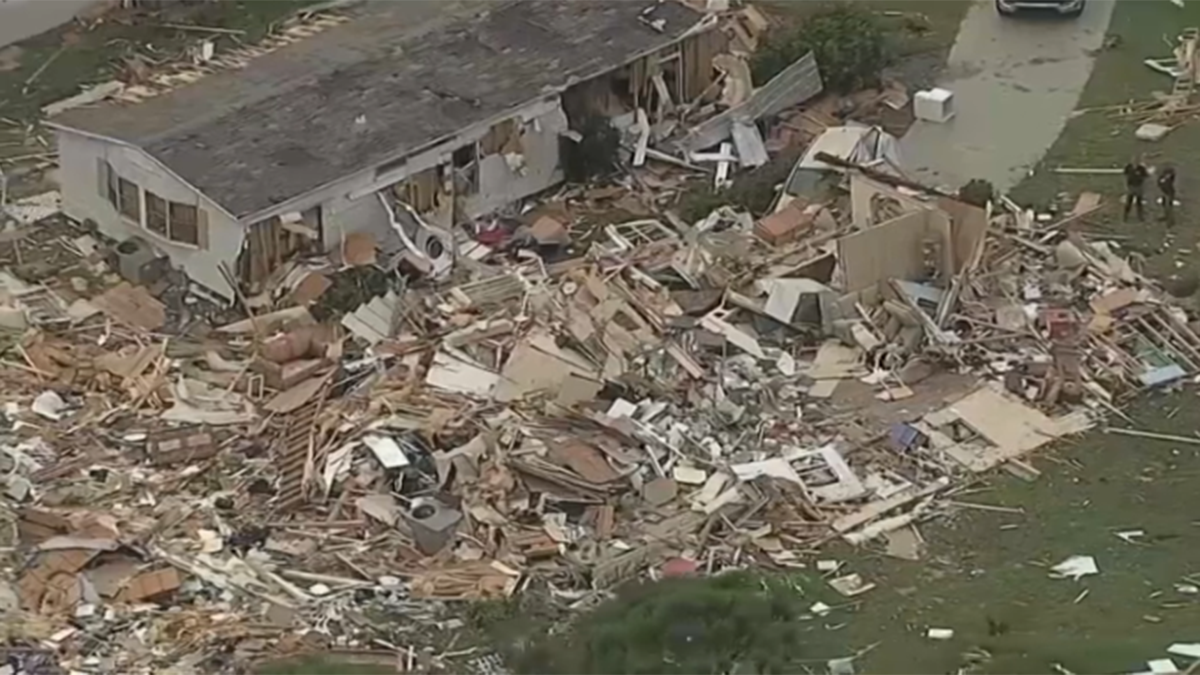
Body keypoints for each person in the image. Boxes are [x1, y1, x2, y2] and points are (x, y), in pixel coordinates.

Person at [1123, 157, 1148, 221]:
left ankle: (1140, 216)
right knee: (1129, 202)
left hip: (1138, 186)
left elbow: (1146, 176)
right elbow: (1125, 175)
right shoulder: (1129, 167)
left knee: (1139, 203)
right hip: (1132, 186)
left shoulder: (1141, 168)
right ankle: (1125, 216)